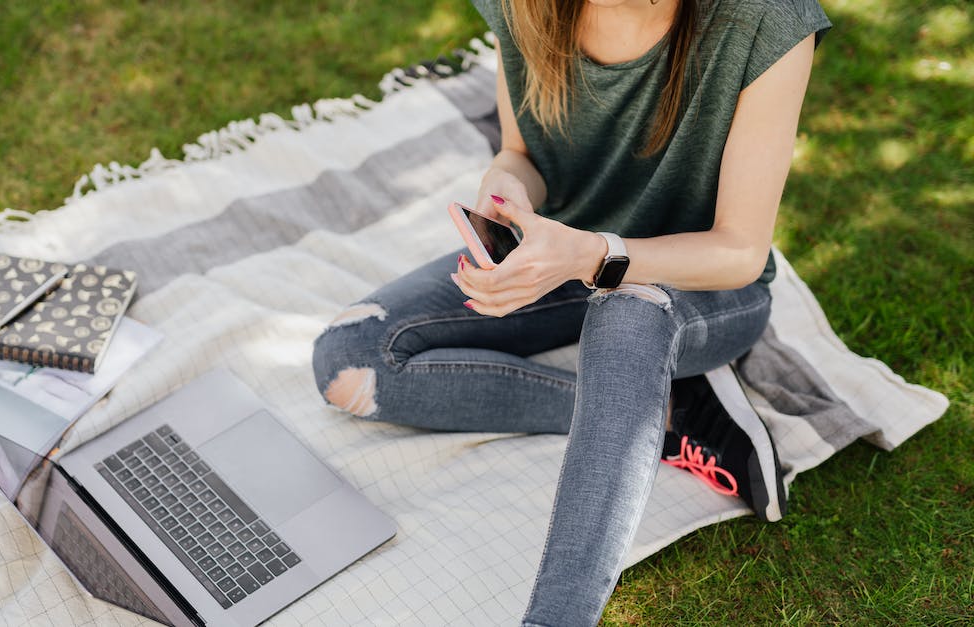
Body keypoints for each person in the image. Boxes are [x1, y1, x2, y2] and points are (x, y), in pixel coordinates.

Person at [312, 0, 831, 623]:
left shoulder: (766, 19)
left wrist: (592, 256)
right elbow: (519, 155)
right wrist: (506, 200)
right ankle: (667, 414)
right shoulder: (525, 6)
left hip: (700, 283)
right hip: (562, 251)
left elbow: (739, 251)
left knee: (627, 312)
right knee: (352, 357)